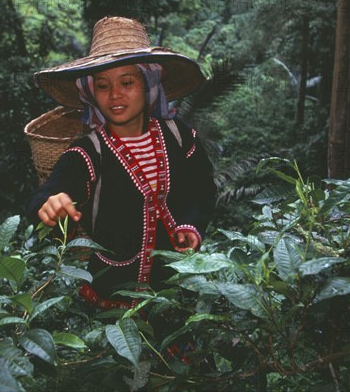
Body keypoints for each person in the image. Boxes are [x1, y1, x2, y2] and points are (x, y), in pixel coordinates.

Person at [27, 16, 217, 309]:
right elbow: (52, 189)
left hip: (174, 292)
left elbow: (202, 189)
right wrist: (49, 202)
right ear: (91, 92)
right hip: (110, 299)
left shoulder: (180, 137)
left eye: (127, 82)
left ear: (148, 82)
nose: (115, 95)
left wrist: (192, 226)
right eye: (102, 86)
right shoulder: (88, 153)